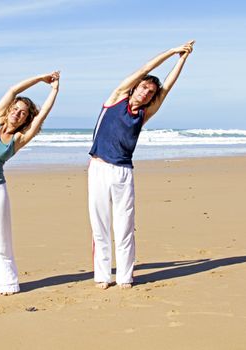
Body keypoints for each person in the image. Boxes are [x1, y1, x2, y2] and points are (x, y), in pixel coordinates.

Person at [88, 41, 194, 289]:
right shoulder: (115, 99)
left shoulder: (143, 114)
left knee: (125, 226)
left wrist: (183, 60)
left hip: (123, 171)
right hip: (98, 168)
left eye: (150, 92)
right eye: (144, 88)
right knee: (100, 224)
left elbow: (167, 88)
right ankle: (102, 276)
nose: (146, 93)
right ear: (135, 88)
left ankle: (125, 276)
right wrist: (172, 52)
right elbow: (145, 67)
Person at [0, 71, 60, 295]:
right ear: (9, 111)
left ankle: (6, 283)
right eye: (15, 109)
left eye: (23, 113)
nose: (17, 114)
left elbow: (42, 114)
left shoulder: (19, 139)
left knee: (1, 240)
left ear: (26, 119)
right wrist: (40, 79)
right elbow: (12, 90)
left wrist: (54, 90)